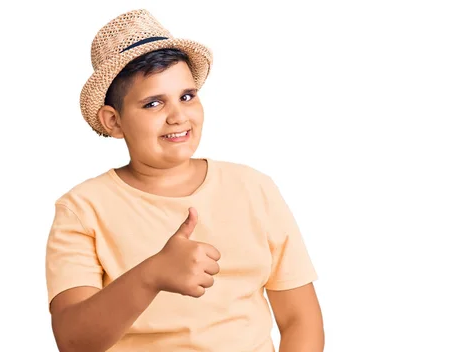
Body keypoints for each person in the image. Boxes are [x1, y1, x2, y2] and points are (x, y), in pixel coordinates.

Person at [45, 8, 324, 352]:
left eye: (187, 96)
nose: (178, 116)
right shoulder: (82, 209)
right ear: (113, 121)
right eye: (153, 103)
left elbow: (301, 320)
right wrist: (151, 274)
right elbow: (74, 341)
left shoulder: (254, 189)